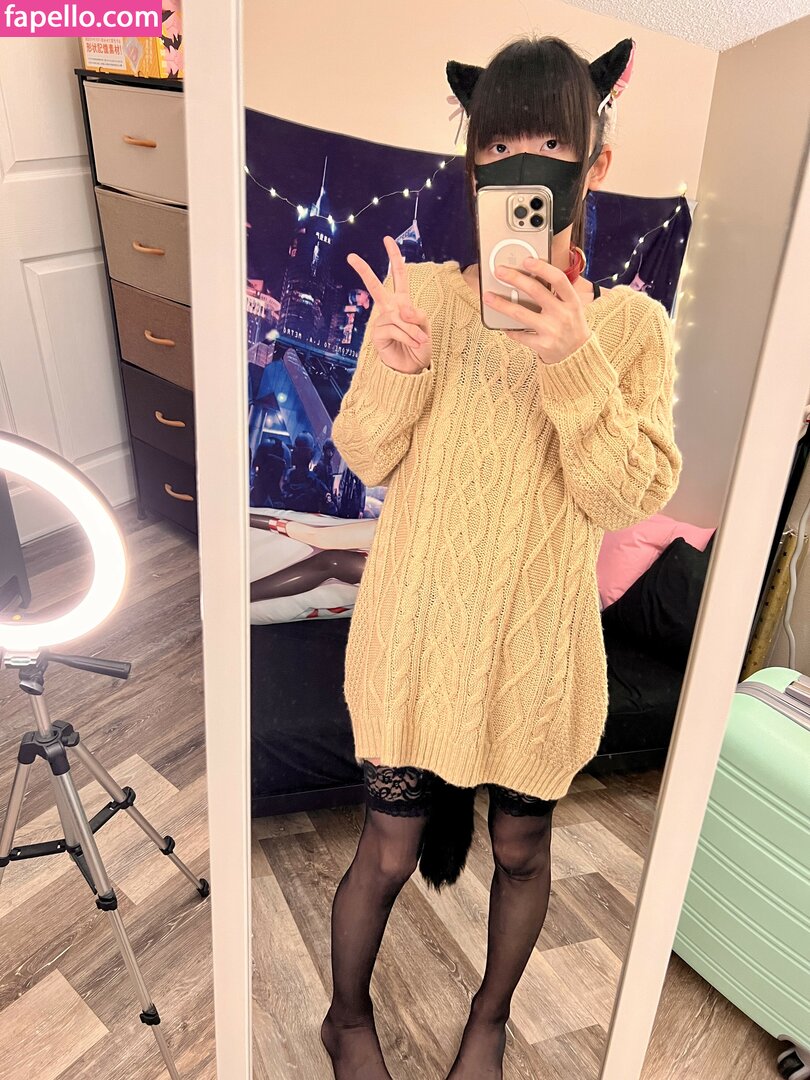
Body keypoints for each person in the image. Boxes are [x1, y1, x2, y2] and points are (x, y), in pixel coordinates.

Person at [323, 34, 683, 1080]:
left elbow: (626, 496)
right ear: (475, 165)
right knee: (387, 847)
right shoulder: (430, 300)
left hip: (538, 651)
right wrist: (393, 369)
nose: (523, 164)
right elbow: (365, 453)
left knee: (522, 851)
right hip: (414, 634)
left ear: (594, 163)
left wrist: (573, 363)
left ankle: (489, 1022)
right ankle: (346, 1018)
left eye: (551, 145)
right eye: (498, 146)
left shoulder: (630, 329)